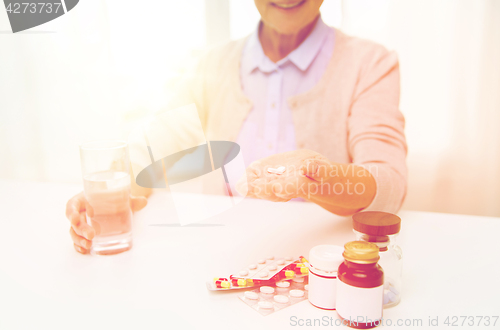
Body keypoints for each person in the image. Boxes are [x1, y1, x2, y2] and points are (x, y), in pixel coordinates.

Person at [66, 0, 407, 254]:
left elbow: (389, 182)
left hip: (322, 270)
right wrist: (113, 189)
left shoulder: (371, 63)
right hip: (222, 260)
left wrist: (318, 176)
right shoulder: (212, 64)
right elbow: (153, 148)